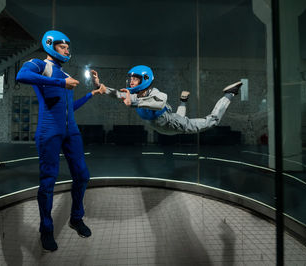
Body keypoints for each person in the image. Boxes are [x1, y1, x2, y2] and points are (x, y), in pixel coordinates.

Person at [16, 30, 105, 252]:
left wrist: (91, 94)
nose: (67, 49)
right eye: (62, 46)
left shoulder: (64, 75)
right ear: (50, 45)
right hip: (49, 131)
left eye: (68, 46)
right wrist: (58, 82)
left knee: (83, 175)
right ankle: (46, 229)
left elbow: (68, 108)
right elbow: (21, 76)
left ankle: (76, 218)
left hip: (70, 131)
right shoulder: (41, 65)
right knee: (48, 181)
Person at [91, 65, 242, 135]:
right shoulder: (134, 95)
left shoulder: (154, 93)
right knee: (179, 117)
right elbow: (116, 94)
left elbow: (159, 102)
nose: (131, 82)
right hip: (162, 126)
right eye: (130, 78)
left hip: (169, 123)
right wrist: (100, 86)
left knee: (211, 122)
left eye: (135, 79)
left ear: (145, 79)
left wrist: (134, 103)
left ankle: (229, 94)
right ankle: (183, 100)